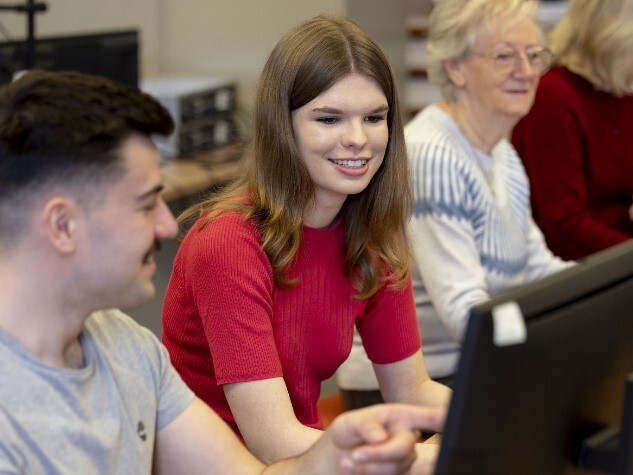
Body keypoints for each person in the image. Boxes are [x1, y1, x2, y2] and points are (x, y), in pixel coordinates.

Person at [0, 69, 447, 474]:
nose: (165, 224)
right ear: (61, 225)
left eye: (374, 118)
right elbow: (272, 443)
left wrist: (336, 460)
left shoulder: (130, 349)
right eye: (144, 204)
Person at [161, 14, 451, 475]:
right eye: (329, 118)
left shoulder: (372, 231)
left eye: (374, 118)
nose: (357, 139)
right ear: (283, 126)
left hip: (310, 459)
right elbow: (273, 441)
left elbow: (413, 390)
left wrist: (493, 417)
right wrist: (424, 461)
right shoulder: (228, 244)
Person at [337, 0, 574, 397]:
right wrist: (555, 331)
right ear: (455, 67)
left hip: (468, 366)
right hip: (410, 384)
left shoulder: (501, 154)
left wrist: (605, 297)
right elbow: (465, 315)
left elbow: (536, 267)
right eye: (505, 56)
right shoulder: (435, 155)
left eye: (534, 55)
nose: (527, 70)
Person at [512, 0, 633, 261]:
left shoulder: (621, 92)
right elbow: (564, 226)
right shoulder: (554, 98)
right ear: (613, 38)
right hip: (577, 271)